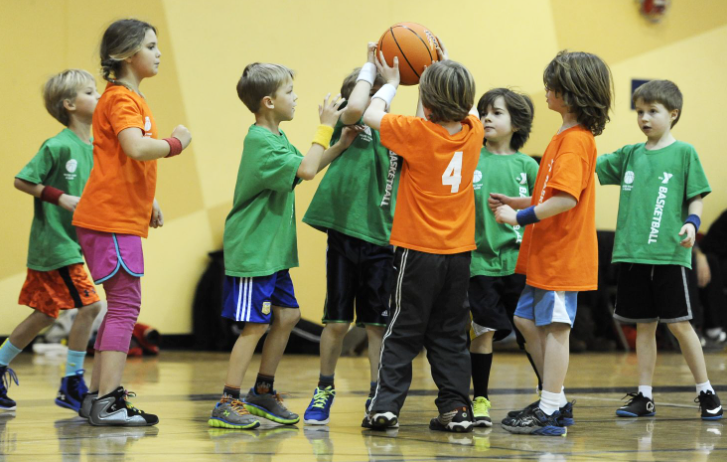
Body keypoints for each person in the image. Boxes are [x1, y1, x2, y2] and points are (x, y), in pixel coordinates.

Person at [208, 62, 360, 430]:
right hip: (254, 252)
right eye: (289, 92)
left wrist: (338, 145)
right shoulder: (258, 140)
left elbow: (304, 166)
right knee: (254, 327)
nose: (295, 98)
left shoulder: (276, 138)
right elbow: (306, 170)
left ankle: (263, 391)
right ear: (268, 102)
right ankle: (228, 399)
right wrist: (325, 125)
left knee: (288, 317)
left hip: (272, 253)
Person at [72, 19, 192, 426]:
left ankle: (97, 399)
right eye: (151, 46)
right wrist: (176, 143)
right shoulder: (124, 100)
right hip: (111, 221)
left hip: (114, 215)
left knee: (119, 307)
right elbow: (136, 147)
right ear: (126, 55)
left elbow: (117, 160)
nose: (159, 53)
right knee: (124, 307)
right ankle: (108, 402)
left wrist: (148, 198)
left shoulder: (124, 98)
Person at [362, 41, 484, 433]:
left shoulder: (415, 132)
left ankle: (385, 407)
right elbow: (470, 108)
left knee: (403, 328)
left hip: (418, 253)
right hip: (459, 255)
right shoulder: (474, 132)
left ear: (427, 102)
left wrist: (392, 81)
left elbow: (369, 113)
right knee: (450, 333)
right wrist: (446, 65)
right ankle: (456, 409)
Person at [494, 50, 613, 436]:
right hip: (545, 253)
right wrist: (521, 202)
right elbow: (550, 193)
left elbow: (565, 201)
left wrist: (519, 217)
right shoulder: (563, 137)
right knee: (524, 320)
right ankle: (556, 400)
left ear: (572, 91)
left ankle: (549, 407)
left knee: (556, 329)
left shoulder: (577, 141)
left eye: (554, 84)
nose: (547, 89)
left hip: (563, 255)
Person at [595, 79, 722, 421]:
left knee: (681, 326)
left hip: (669, 255)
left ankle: (706, 391)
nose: (644, 118)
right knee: (645, 327)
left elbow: (695, 197)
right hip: (632, 256)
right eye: (639, 112)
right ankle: (645, 396)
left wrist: (692, 224)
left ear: (673, 114)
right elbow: (589, 162)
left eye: (653, 111)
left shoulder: (684, 153)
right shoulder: (629, 154)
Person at [302, 44, 399, 426]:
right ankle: (324, 386)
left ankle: (377, 393)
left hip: (381, 240)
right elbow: (357, 108)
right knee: (338, 323)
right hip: (345, 237)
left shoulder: (393, 133)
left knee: (376, 325)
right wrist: (369, 70)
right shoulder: (348, 126)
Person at [0, 70, 105, 413]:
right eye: (91, 92)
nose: (99, 96)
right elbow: (22, 180)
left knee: (45, 314)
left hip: (75, 245)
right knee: (90, 306)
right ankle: (72, 383)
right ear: (70, 105)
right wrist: (59, 198)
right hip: (55, 244)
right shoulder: (58, 145)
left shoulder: (99, 147)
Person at [467, 88, 539, 427]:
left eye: (496, 113)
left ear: (517, 123)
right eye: (483, 112)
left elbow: (544, 211)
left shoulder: (527, 165)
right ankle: (480, 397)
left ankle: (550, 395)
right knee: (481, 332)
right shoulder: (470, 159)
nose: (487, 118)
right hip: (478, 263)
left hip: (520, 263)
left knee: (530, 332)